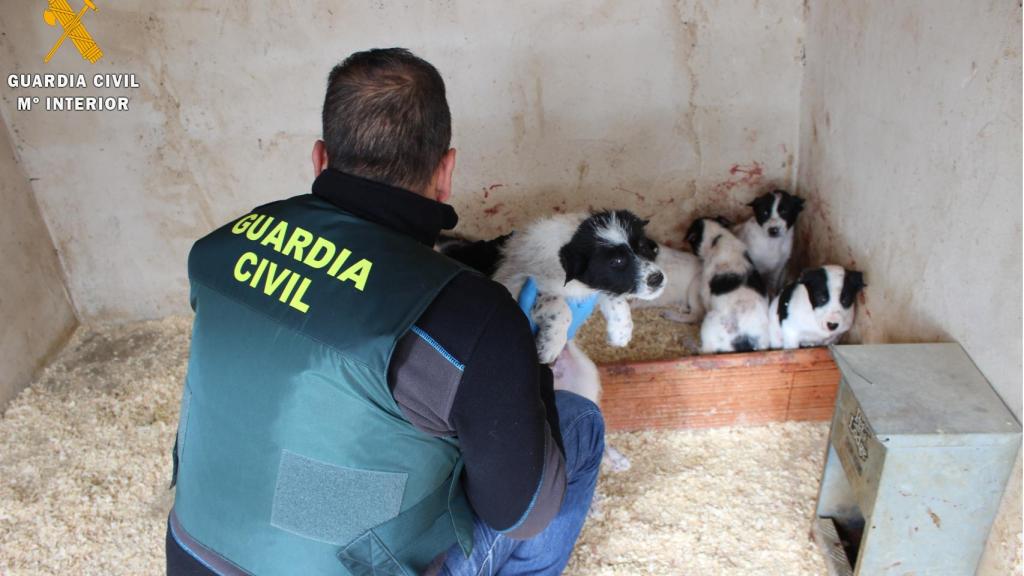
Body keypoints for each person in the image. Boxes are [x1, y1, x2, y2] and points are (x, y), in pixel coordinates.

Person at [166, 47, 604, 576]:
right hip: (340, 549)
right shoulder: (471, 314)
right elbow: (521, 515)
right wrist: (525, 371)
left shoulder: (220, 249)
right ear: (446, 171)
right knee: (576, 423)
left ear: (320, 159)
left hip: (193, 556)